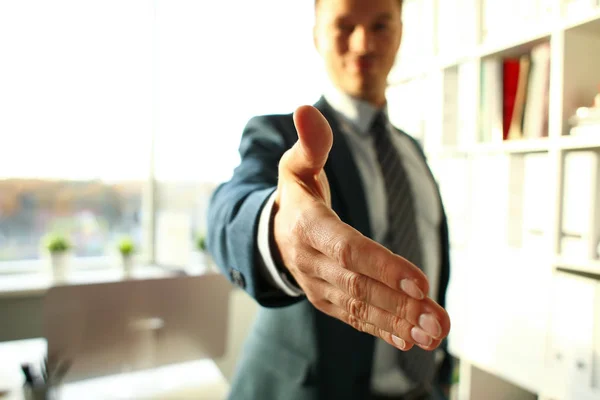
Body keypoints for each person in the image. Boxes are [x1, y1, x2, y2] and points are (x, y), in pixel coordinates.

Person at [207, 0, 453, 399]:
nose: (363, 43)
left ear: (400, 32)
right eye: (344, 27)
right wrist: (277, 232)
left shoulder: (413, 153)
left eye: (380, 25)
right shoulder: (282, 136)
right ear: (317, 36)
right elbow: (229, 209)